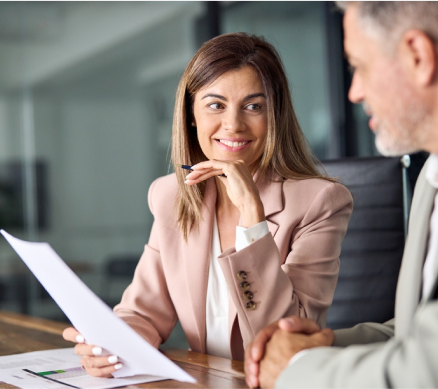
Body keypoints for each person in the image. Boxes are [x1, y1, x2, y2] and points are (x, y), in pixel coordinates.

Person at [245, 1, 438, 388]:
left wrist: (297, 371)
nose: (354, 91)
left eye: (359, 66)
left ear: (418, 56)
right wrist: (324, 347)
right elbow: (421, 330)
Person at [63, 32, 353, 377]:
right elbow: (143, 313)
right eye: (216, 105)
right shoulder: (171, 196)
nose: (233, 124)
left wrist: (253, 219)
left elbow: (289, 336)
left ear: (274, 116)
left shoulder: (319, 202)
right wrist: (112, 344)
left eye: (254, 106)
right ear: (191, 115)